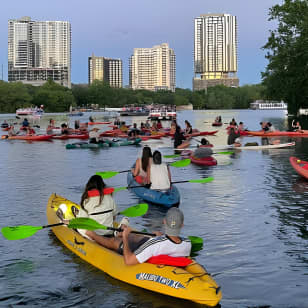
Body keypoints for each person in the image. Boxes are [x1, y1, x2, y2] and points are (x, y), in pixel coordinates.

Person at [86, 207, 192, 265]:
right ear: (182, 225)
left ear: (164, 222)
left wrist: (125, 238)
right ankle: (122, 232)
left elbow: (128, 261)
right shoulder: (188, 243)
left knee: (114, 242)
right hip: (156, 241)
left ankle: (92, 234)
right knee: (138, 237)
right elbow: (170, 243)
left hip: (148, 246)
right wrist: (160, 236)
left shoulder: (154, 244)